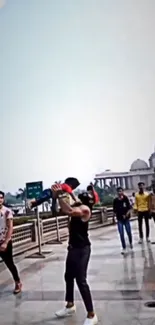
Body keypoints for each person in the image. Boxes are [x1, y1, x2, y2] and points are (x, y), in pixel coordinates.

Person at [51, 184, 98, 325]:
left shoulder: (85, 210)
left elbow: (70, 211)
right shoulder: (79, 206)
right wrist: (54, 198)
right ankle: (70, 305)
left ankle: (91, 314)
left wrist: (60, 195)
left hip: (82, 249)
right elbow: (55, 212)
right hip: (73, 248)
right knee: (68, 276)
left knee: (81, 280)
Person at [0, 191, 22, 294]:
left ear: (3, 199)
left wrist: (5, 242)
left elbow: (10, 228)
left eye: (1, 198)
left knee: (10, 264)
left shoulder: (7, 212)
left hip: (4, 242)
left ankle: (17, 282)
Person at [113, 187, 133, 255]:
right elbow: (114, 210)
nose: (119, 192)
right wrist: (114, 217)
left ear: (122, 192)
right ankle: (124, 247)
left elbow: (129, 208)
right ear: (117, 192)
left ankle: (130, 243)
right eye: (118, 191)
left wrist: (126, 214)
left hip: (126, 219)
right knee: (121, 234)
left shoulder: (125, 198)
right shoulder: (115, 200)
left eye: (121, 191)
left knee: (129, 232)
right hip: (119, 219)